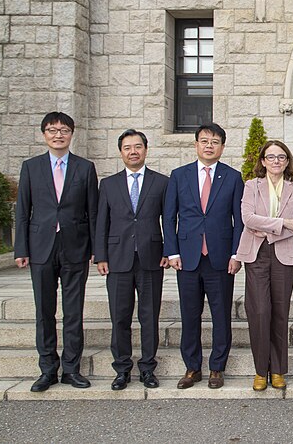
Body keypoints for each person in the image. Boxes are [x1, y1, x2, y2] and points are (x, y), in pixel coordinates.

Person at [14, 112, 98, 392]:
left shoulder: (85, 168)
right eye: (52, 130)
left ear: (72, 134)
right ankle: (47, 369)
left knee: (73, 311)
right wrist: (21, 248)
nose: (58, 134)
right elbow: (23, 211)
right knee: (44, 311)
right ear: (44, 134)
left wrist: (97, 250)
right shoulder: (31, 167)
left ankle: (72, 369)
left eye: (63, 130)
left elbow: (93, 212)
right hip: (41, 248)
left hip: (75, 247)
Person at [163, 123, 244, 390]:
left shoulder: (232, 177)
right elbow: (169, 217)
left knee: (221, 315)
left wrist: (236, 254)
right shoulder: (179, 175)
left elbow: (239, 220)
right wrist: (172, 251)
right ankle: (192, 367)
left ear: (222, 146)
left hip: (220, 258)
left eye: (215, 141)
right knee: (189, 314)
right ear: (196, 144)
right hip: (187, 258)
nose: (209, 145)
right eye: (204, 141)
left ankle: (217, 367)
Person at [94, 129, 169, 391]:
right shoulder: (108, 184)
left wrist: (168, 251)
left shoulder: (161, 182)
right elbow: (101, 222)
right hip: (117, 260)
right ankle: (122, 369)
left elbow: (168, 221)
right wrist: (100, 255)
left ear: (146, 150)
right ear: (121, 152)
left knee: (149, 316)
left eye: (138, 147)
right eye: (128, 147)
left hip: (151, 259)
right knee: (120, 317)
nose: (133, 151)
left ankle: (148, 368)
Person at [236, 141, 293, 391]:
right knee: (259, 311)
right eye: (271, 157)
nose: (276, 161)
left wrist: (269, 228)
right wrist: (282, 223)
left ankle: (277, 370)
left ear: (287, 162)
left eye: (281, 157)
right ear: (263, 161)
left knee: (279, 312)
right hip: (256, 255)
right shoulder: (251, 186)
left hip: (283, 255)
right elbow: (247, 218)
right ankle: (259, 370)